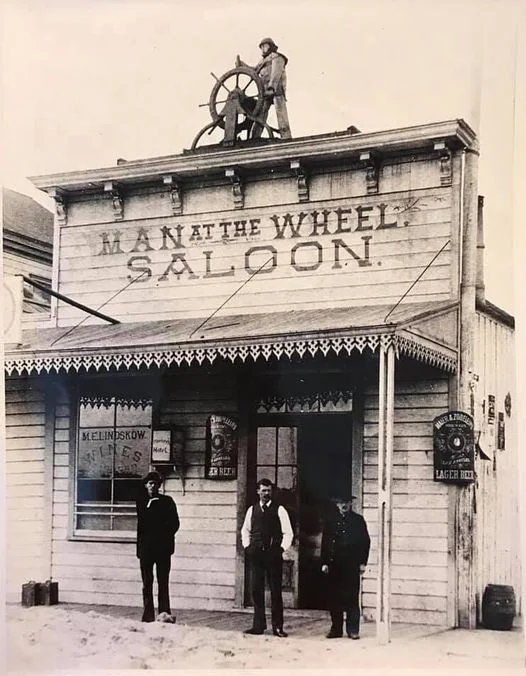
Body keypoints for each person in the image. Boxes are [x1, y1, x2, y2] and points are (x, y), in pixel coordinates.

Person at [241, 478, 294, 636]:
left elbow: (288, 532)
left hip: (273, 555)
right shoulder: (252, 510)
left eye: (269, 491)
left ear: (272, 492)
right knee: (256, 590)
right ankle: (258, 626)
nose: (266, 493)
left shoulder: (280, 510)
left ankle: (277, 627)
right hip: (256, 554)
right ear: (258, 491)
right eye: (263, 490)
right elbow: (245, 530)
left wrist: (281, 549)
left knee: (275, 591)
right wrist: (248, 547)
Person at [320, 492, 370, 639]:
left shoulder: (358, 520)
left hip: (351, 565)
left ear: (351, 504)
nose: (344, 505)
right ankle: (336, 629)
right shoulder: (331, 521)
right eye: (341, 502)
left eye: (347, 502)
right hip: (334, 565)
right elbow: (325, 543)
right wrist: (324, 562)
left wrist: (362, 563)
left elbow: (365, 543)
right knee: (334, 598)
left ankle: (353, 630)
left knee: (352, 598)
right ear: (337, 504)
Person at [136, 470, 180, 623]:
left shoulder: (167, 501)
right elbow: (144, 522)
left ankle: (164, 613)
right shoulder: (141, 502)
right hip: (146, 549)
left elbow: (174, 524)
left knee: (163, 581)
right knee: (147, 582)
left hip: (162, 549)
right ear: (146, 485)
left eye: (156, 484)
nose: (153, 486)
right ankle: (147, 614)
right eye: (150, 483)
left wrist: (162, 534)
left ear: (160, 486)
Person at [235, 37, 292, 139]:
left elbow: (276, 73)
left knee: (280, 112)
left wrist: (272, 87)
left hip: (276, 90)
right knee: (261, 113)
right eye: (261, 47)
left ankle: (286, 136)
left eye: (264, 46)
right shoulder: (263, 61)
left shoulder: (277, 57)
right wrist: (242, 65)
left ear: (270, 46)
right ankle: (255, 137)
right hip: (265, 92)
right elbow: (254, 71)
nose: (262, 49)